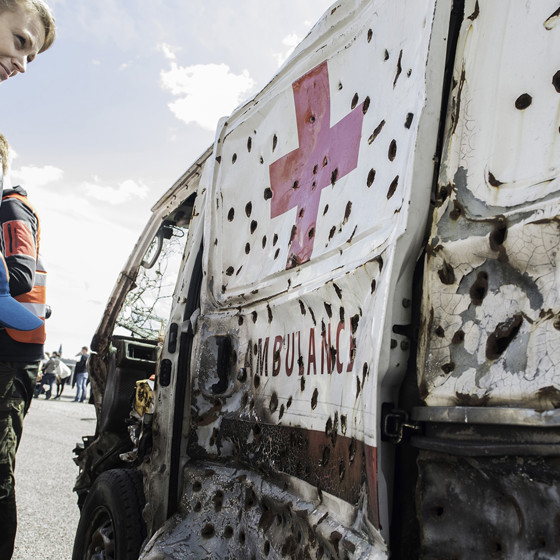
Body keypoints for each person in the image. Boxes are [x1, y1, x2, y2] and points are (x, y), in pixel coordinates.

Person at [0, 6, 55, 553]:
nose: (22, 62)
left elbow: (18, 275)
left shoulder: (14, 209)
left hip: (14, 356)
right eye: (18, 41)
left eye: (29, 49)